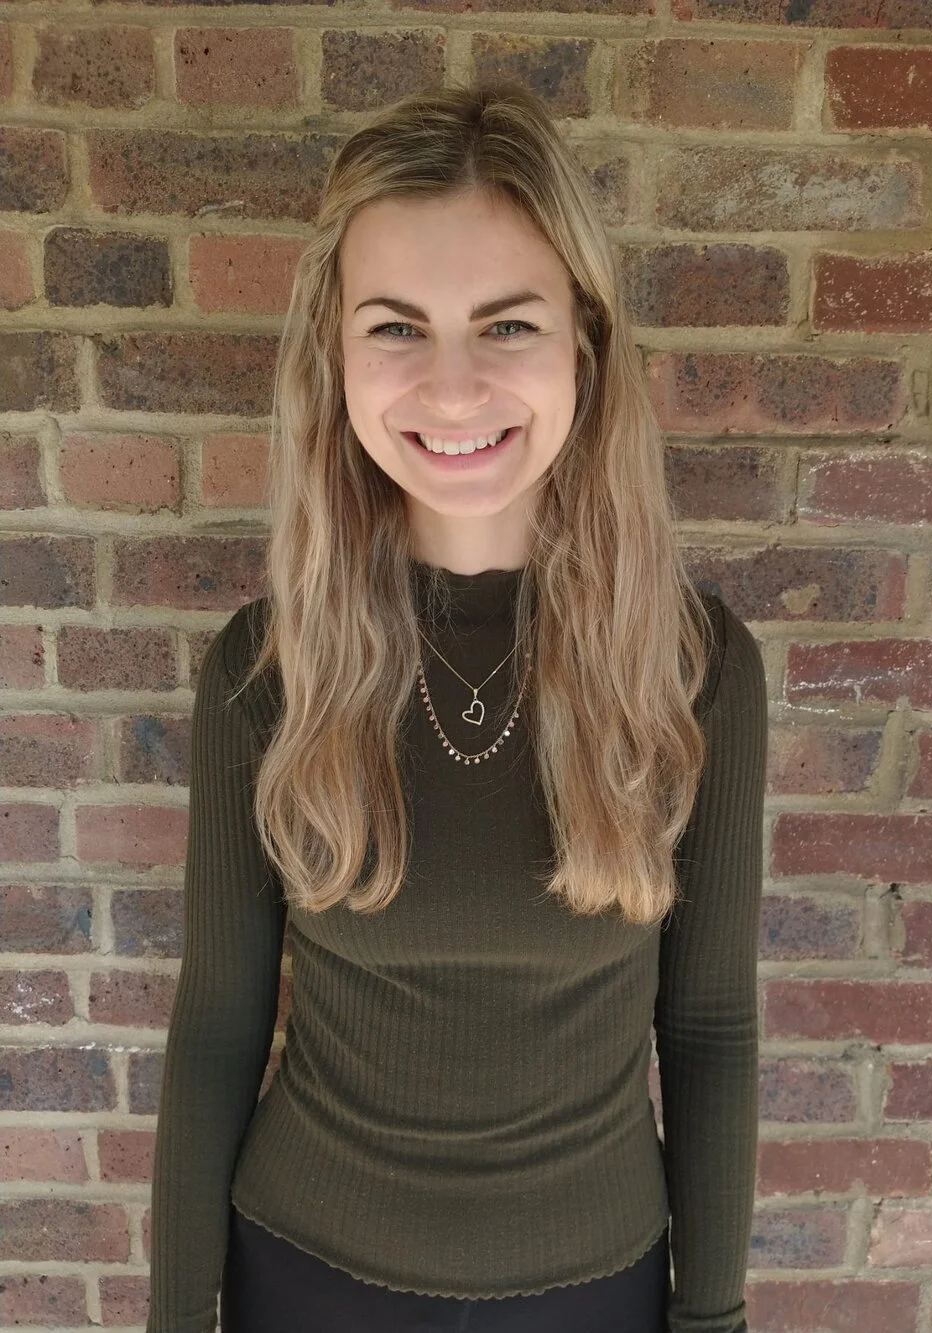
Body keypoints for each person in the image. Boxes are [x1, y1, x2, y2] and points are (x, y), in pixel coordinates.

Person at [145, 81, 767, 1333]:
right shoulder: (267, 668)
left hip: (595, 1288)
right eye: (394, 327)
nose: (451, 387)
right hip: (303, 1275)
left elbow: (707, 1026)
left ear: (582, 343)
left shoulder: (693, 668)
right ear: (334, 353)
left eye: (505, 325)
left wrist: (713, 1319)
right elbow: (216, 1020)